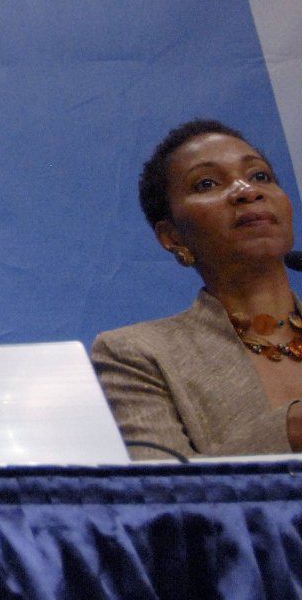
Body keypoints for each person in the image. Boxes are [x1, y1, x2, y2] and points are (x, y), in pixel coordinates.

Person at [91, 118, 302, 460]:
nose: (247, 191)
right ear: (172, 236)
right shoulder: (138, 354)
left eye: (260, 176)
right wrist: (288, 431)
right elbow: (160, 483)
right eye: (207, 183)